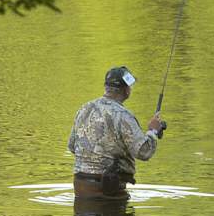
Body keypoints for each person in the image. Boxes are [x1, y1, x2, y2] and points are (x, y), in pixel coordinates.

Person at [67, 66, 166, 199]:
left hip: (80, 188)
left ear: (106, 87)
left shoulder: (84, 109)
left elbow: (72, 146)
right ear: (126, 90)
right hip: (108, 190)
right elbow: (144, 152)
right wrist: (153, 131)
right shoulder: (123, 115)